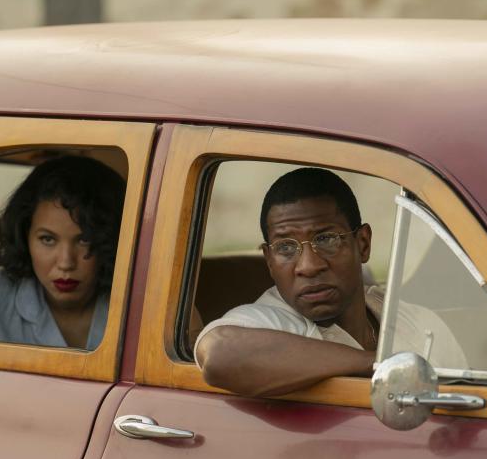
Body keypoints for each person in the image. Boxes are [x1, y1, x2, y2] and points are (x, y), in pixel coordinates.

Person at [195, 167, 466, 397]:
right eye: (286, 248)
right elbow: (220, 353)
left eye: (326, 240)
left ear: (362, 244)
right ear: (269, 260)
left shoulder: (418, 322)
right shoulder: (267, 321)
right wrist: (386, 365)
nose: (309, 266)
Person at [0, 156, 126, 349]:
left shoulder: (140, 307)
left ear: (112, 240)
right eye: (48, 239)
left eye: (84, 240)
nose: (65, 263)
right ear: (24, 235)